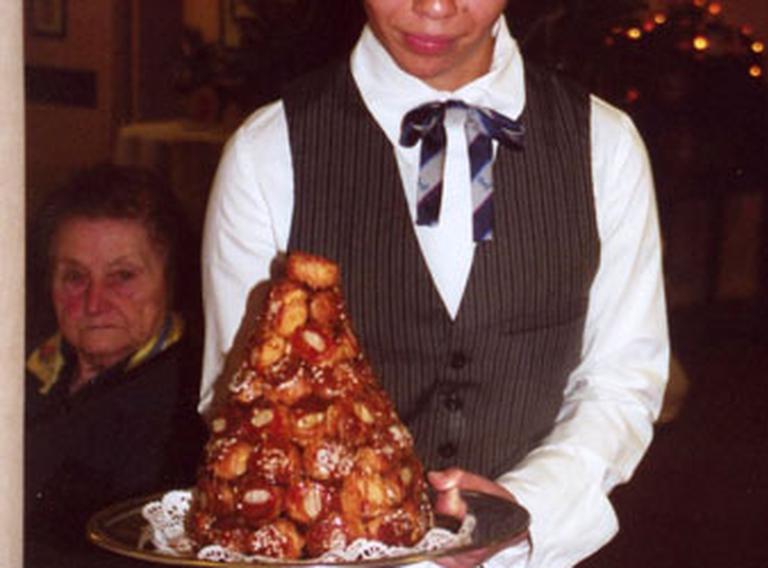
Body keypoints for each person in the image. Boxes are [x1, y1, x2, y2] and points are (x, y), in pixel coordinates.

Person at [200, 1, 669, 566]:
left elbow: (621, 382)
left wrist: (522, 506)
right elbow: (241, 409)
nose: (434, 8)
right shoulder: (266, 154)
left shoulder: (606, 147)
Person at [25, 165, 207, 566]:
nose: (94, 302)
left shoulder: (188, 407)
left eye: (122, 276)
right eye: (74, 276)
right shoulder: (28, 367)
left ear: (170, 280)